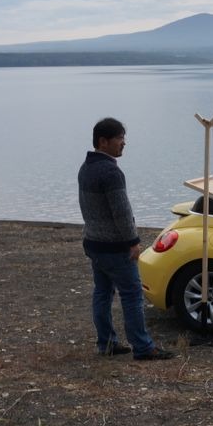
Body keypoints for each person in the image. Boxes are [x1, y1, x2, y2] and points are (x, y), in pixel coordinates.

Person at [78, 117, 174, 361]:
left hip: (94, 242)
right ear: (103, 141)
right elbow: (121, 212)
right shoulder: (111, 171)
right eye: (120, 138)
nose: (124, 143)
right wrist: (133, 241)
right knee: (132, 294)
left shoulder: (86, 167)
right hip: (114, 247)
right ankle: (142, 347)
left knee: (102, 293)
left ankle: (107, 343)